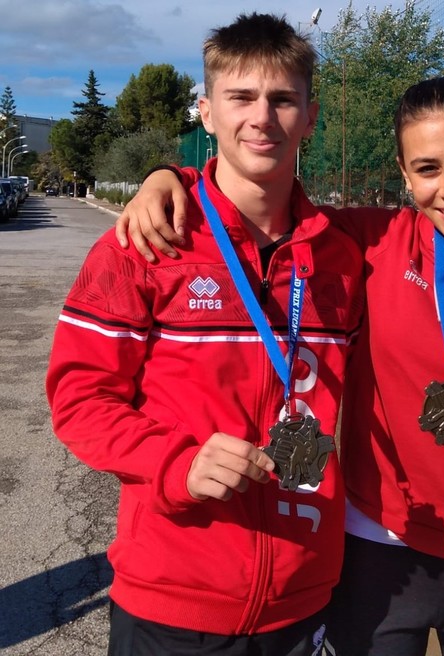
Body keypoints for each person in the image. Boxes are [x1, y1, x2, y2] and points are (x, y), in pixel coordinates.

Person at [116, 76, 444, 656]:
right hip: (375, 545)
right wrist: (166, 178)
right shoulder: (373, 241)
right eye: (427, 168)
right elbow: (266, 199)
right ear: (405, 176)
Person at [46, 13, 365, 655]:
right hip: (170, 599)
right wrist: (177, 462)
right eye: (240, 97)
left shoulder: (348, 252)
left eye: (282, 99)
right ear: (206, 111)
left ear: (311, 115)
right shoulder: (145, 242)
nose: (262, 117)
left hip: (306, 596)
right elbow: (80, 400)